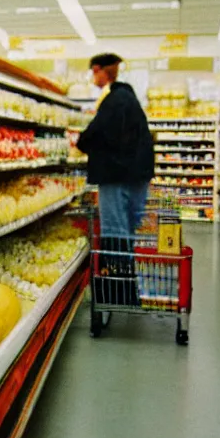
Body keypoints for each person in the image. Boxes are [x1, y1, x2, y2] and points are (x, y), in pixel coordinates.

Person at [73, 52, 155, 309]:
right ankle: (128, 289)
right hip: (137, 177)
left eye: (93, 72)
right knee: (127, 233)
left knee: (114, 235)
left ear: (99, 70)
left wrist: (80, 142)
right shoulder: (130, 99)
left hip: (116, 177)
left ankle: (119, 295)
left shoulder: (113, 100)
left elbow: (94, 134)